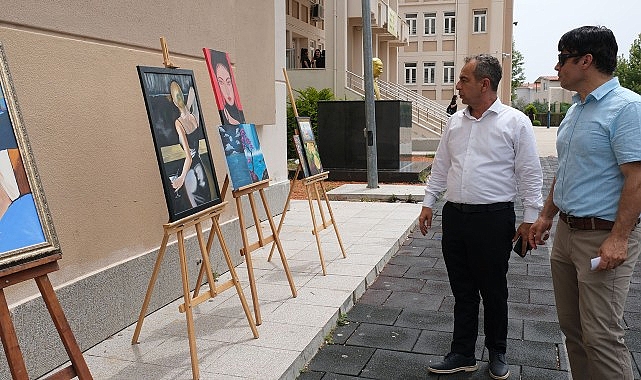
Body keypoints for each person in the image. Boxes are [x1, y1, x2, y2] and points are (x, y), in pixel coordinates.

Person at [418, 54, 543, 379]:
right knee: (462, 290)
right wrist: (429, 202)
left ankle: (497, 352)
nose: (457, 86)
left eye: (463, 80)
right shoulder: (455, 122)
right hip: (456, 218)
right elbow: (441, 165)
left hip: (493, 219)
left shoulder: (515, 122)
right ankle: (462, 353)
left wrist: (530, 217)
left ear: (484, 84)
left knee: (493, 289)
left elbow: (530, 173)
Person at [528, 26, 641, 380]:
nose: (557, 67)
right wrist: (547, 215)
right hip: (566, 234)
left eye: (562, 58)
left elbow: (636, 178)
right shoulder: (576, 109)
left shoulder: (627, 108)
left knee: (602, 337)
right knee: (573, 331)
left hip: (602, 236)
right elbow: (568, 170)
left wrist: (620, 238)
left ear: (586, 60)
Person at [169, 81, 211, 208]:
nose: (179, 98)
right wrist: (187, 105)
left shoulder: (180, 122)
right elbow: (192, 91)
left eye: (179, 95)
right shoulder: (194, 116)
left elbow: (189, 156)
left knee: (198, 207)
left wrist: (181, 177)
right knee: (206, 203)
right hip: (199, 166)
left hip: (190, 170)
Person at [211, 51, 245, 125]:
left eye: (228, 82)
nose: (227, 91)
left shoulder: (240, 116)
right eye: (221, 82)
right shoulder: (226, 116)